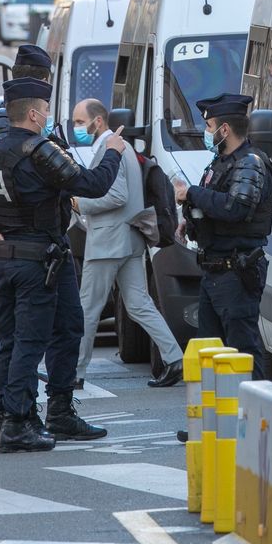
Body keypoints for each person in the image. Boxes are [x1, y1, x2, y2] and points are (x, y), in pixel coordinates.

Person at [0, 77, 126, 452]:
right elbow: (92, 185)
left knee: (60, 330)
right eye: (45, 110)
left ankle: (54, 414)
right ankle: (15, 421)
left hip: (19, 257)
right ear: (32, 113)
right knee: (29, 342)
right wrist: (113, 151)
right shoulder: (39, 150)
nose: (48, 116)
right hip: (37, 260)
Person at [71, 99, 183, 388]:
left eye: (80, 122)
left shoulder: (113, 150)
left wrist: (79, 203)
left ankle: (74, 373)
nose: (76, 128)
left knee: (88, 308)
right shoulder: (124, 148)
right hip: (129, 240)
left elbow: (116, 196)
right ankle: (175, 359)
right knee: (139, 304)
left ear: (98, 122)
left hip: (109, 241)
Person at [172, 93, 272, 377]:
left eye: (209, 127)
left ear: (225, 130)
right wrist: (190, 220)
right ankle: (216, 421)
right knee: (211, 352)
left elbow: (234, 208)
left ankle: (251, 418)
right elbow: (213, 205)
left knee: (242, 352)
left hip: (236, 272)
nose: (207, 134)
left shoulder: (251, 163)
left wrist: (192, 193)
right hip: (214, 271)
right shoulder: (221, 162)